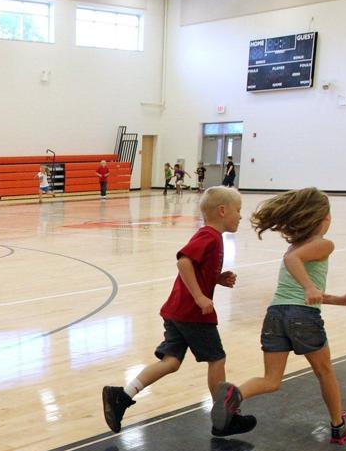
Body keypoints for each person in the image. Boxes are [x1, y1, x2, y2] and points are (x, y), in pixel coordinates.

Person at [102, 187, 256, 437]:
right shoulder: (209, 235)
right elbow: (183, 261)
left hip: (176, 310)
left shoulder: (212, 237)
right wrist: (199, 296)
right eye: (238, 210)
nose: (240, 216)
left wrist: (215, 279)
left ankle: (122, 395)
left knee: (171, 362)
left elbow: (196, 268)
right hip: (192, 312)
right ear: (222, 210)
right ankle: (224, 418)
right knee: (216, 358)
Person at [211, 188, 346, 444]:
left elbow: (298, 288)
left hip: (275, 315)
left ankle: (234, 395)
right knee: (325, 371)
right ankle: (338, 424)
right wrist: (310, 287)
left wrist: (338, 300)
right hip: (303, 317)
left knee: (271, 380)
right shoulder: (323, 244)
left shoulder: (296, 246)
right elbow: (296, 267)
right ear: (323, 218)